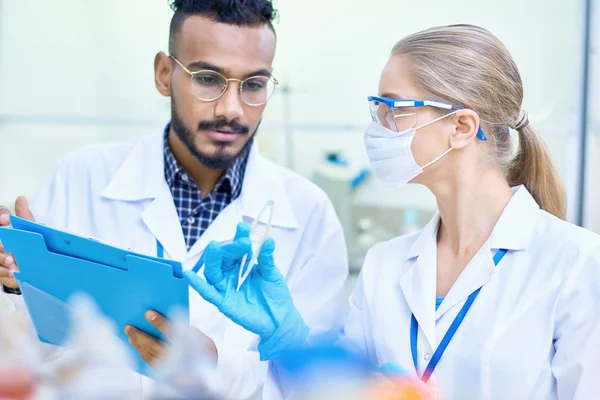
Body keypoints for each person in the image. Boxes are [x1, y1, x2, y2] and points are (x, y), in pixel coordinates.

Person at [187, 24, 600, 399]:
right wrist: (286, 337)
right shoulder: (384, 267)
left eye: (394, 108)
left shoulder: (576, 265)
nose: (377, 126)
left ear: (460, 127)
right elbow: (341, 393)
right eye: (377, 108)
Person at [0, 0, 348, 398]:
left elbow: (318, 387)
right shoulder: (78, 177)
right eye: (208, 78)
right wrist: (16, 286)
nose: (231, 109)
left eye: (253, 84)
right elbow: (30, 359)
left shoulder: (310, 214)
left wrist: (216, 361)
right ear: (164, 74)